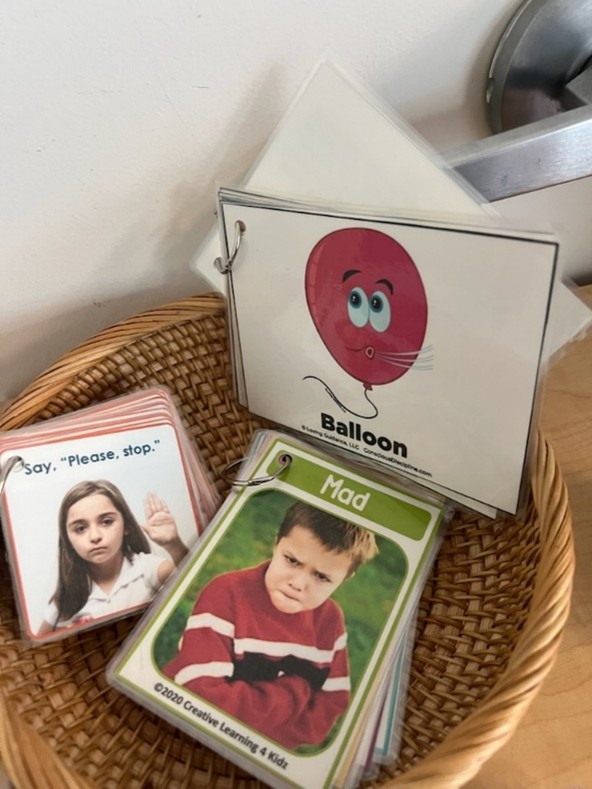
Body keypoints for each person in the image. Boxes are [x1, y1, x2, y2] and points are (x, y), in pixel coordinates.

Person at [162, 501, 378, 751]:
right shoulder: (227, 593)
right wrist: (293, 693)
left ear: (344, 579)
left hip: (267, 750)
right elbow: (200, 694)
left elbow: (332, 702)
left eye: (321, 577)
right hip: (180, 728)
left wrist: (270, 741)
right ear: (276, 543)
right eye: (292, 561)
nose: (298, 584)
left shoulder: (330, 619)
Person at [37, 479, 188, 635]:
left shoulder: (147, 568)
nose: (95, 536)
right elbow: (40, 641)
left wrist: (173, 544)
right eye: (80, 528)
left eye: (106, 522)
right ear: (67, 539)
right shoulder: (67, 596)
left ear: (126, 525)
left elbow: (194, 581)